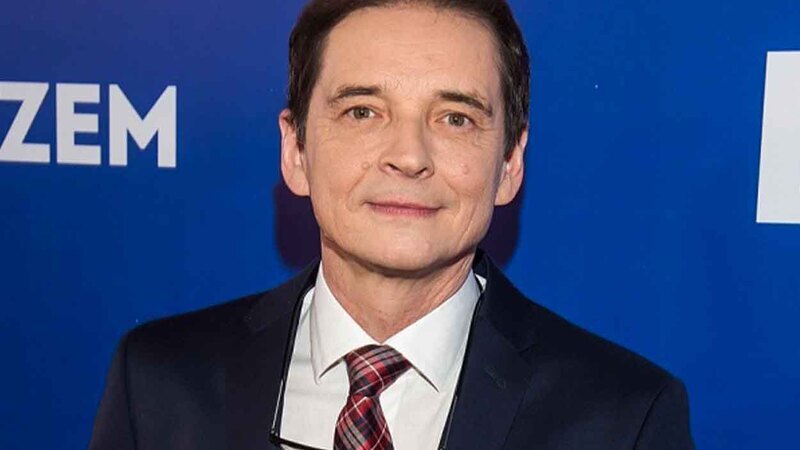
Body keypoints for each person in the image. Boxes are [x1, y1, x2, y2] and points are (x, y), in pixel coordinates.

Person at [89, 1, 694, 449]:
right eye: (362, 111)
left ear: (510, 164)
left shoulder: (624, 419)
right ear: (295, 151)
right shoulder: (160, 382)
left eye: (455, 118)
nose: (409, 156)